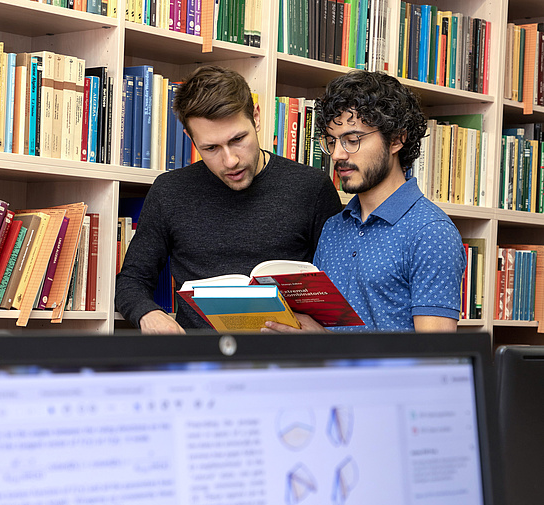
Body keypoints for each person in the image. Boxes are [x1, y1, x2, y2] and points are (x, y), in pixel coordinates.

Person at [115, 65, 342, 333]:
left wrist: (320, 334)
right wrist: (149, 314)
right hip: (201, 360)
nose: (230, 161)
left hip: (284, 359)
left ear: (255, 118)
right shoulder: (170, 191)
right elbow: (131, 281)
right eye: (210, 148)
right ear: (190, 138)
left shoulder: (311, 188)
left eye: (238, 139)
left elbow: (342, 290)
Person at [264, 70, 467, 334]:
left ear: (396, 139)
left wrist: (326, 346)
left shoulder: (431, 233)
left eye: (352, 140)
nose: (337, 154)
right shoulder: (333, 228)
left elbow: (434, 363)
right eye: (332, 141)